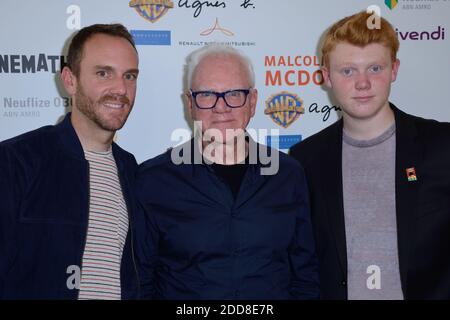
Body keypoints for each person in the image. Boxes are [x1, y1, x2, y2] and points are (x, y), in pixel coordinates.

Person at [135, 44, 319, 300]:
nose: (221, 107)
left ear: (252, 102)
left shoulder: (288, 175)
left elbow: (306, 277)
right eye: (207, 95)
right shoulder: (153, 181)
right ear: (190, 103)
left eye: (234, 94)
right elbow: (141, 284)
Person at [290, 11, 450, 299]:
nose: (362, 83)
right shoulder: (305, 159)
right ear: (327, 77)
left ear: (394, 70)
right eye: (348, 71)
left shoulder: (442, 146)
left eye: (375, 68)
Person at [0, 23, 140, 299]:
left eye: (130, 76)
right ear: (69, 80)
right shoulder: (15, 161)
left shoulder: (133, 171)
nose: (120, 89)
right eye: (103, 73)